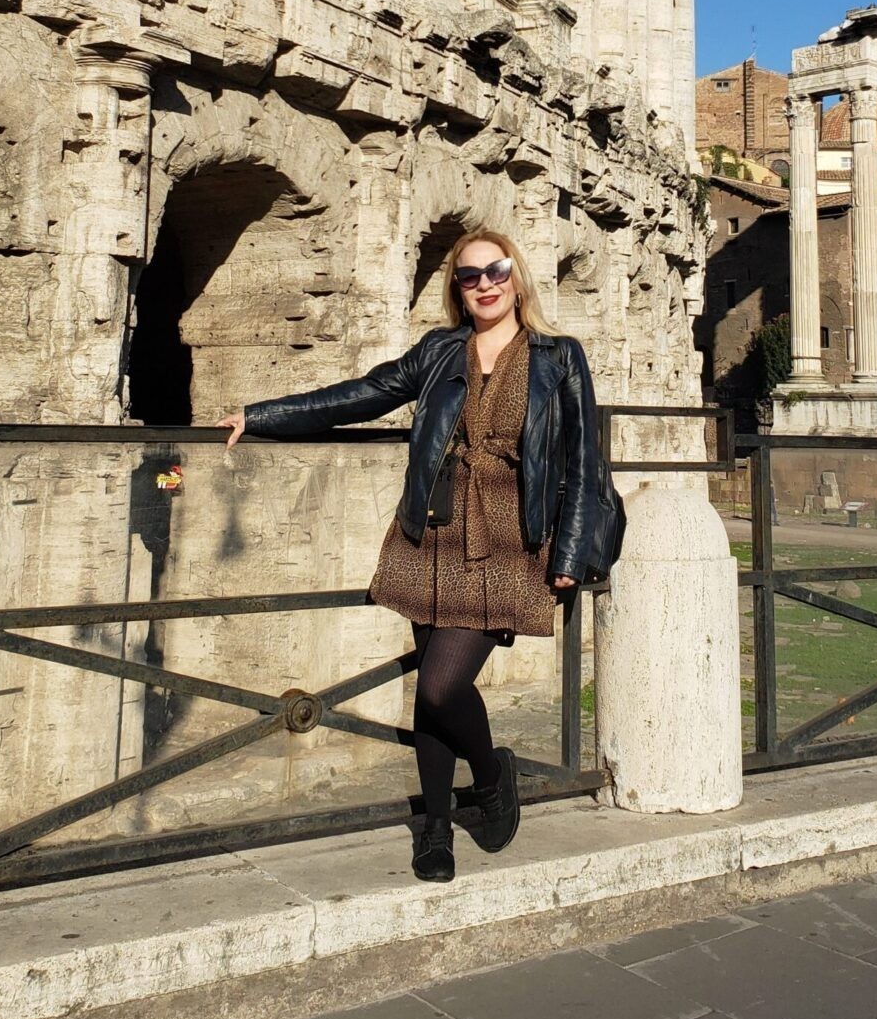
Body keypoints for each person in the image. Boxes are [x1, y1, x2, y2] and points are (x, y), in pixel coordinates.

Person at [217, 228, 603, 885]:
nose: (484, 284)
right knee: (429, 685)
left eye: (496, 270)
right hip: (433, 532)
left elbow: (587, 460)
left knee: (442, 683)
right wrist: (262, 414)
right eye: (469, 275)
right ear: (457, 288)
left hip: (510, 541)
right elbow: (362, 394)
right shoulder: (438, 351)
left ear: (518, 277)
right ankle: (434, 826)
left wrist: (570, 551)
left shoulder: (558, 357)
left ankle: (489, 773)